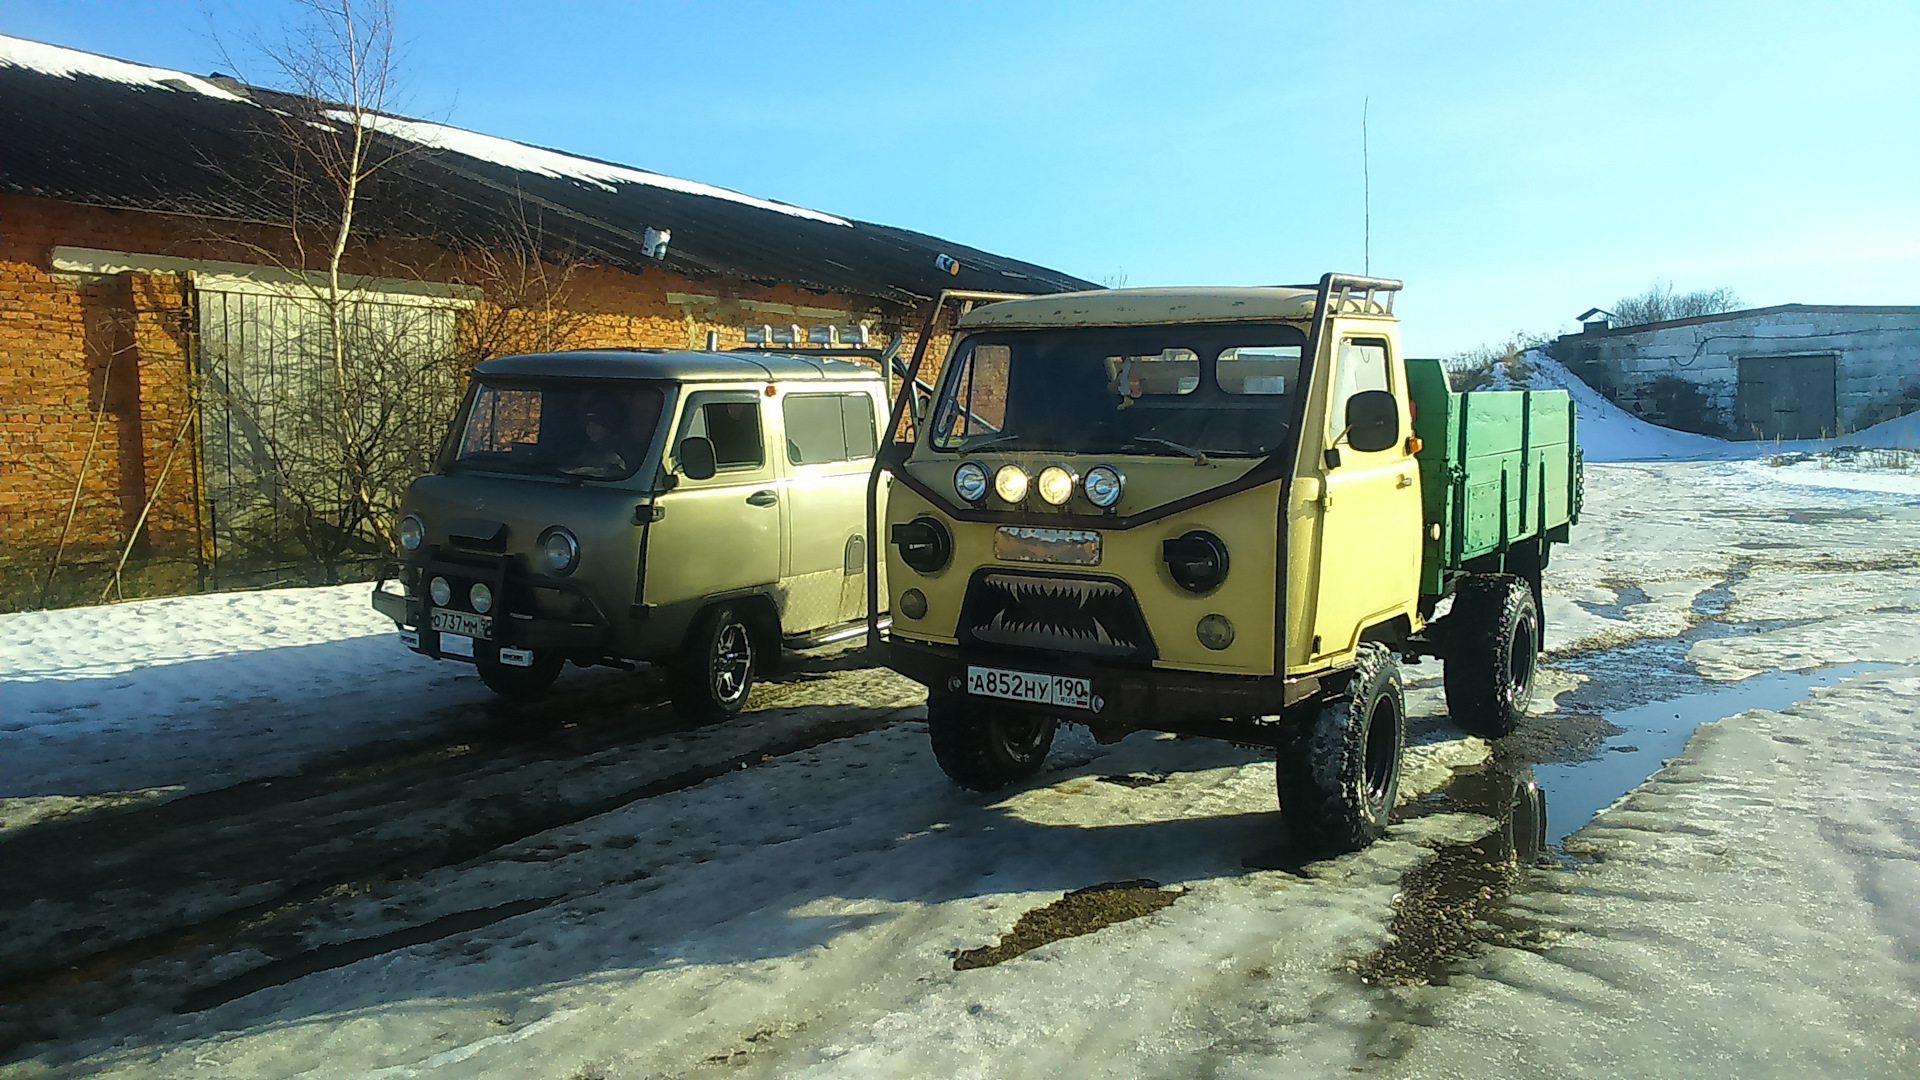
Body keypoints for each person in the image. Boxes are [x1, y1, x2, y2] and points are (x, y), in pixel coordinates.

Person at [564, 393, 629, 475]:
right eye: (589, 423)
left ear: (611, 427)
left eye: (597, 424)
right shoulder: (582, 449)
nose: (591, 428)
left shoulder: (620, 455)